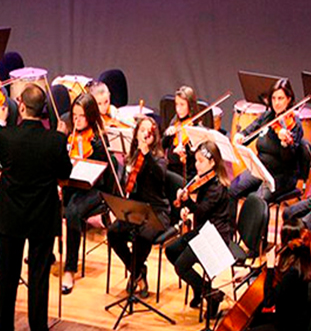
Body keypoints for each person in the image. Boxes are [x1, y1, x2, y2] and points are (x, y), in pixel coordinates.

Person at [0, 85, 73, 331]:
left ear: (21, 107)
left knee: (6, 274)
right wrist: (61, 138)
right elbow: (64, 173)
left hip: (9, 214)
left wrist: (0, 120)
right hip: (41, 215)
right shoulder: (55, 140)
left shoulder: (6, 136)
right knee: (38, 278)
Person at [165, 141, 234, 313]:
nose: (197, 165)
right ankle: (202, 288)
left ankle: (212, 294)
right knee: (171, 250)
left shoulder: (217, 187)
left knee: (181, 267)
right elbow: (201, 208)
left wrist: (187, 201)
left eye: (201, 161)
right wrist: (187, 208)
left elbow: (202, 211)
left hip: (215, 236)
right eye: (196, 160)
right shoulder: (205, 179)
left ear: (212, 163)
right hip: (204, 228)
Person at [107, 116, 170, 298]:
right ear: (136, 135)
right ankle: (138, 270)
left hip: (156, 210)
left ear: (154, 136)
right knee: (113, 233)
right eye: (141, 130)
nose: (144, 134)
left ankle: (134, 273)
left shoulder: (159, 159)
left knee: (143, 236)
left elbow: (159, 176)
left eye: (148, 132)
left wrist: (147, 154)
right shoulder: (132, 158)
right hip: (136, 208)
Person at [60, 93, 113, 295]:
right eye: (74, 116)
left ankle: (70, 269)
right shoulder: (69, 135)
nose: (77, 120)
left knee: (73, 213)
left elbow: (106, 175)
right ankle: (46, 254)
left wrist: (98, 155)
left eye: (81, 116)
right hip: (72, 185)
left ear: (90, 116)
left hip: (95, 189)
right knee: (45, 200)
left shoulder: (99, 139)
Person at [230, 78, 304, 201]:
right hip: (260, 168)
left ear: (289, 99)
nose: (276, 103)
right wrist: (241, 135)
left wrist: (284, 144)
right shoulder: (268, 116)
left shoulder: (295, 125)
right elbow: (251, 130)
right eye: (274, 98)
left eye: (281, 98)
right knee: (232, 190)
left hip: (281, 176)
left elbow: (289, 158)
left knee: (256, 201)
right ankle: (229, 221)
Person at [162, 85, 201, 181]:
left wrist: (184, 153)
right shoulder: (175, 121)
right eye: (176, 104)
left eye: (182, 105)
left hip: (185, 175)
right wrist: (167, 134)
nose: (178, 109)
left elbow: (194, 160)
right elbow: (162, 145)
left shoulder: (196, 128)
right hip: (170, 168)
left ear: (190, 106)